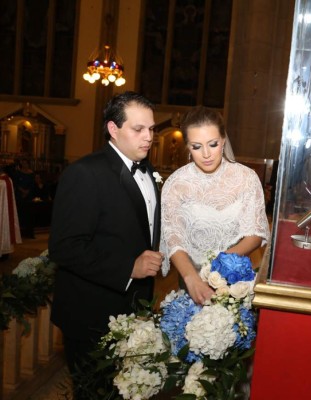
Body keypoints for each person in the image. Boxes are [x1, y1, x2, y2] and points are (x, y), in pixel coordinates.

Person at [48, 91, 163, 398]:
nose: (148, 137)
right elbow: (64, 246)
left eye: (151, 129)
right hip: (91, 315)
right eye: (138, 129)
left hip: (133, 309)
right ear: (113, 129)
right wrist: (130, 267)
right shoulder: (85, 173)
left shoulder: (149, 172)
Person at [160, 106, 270, 304]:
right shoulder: (176, 184)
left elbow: (255, 233)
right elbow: (173, 237)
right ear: (187, 146)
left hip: (238, 279)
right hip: (191, 279)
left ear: (223, 141)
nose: (206, 154)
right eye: (196, 146)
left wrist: (218, 267)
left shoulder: (246, 178)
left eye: (212, 144)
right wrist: (191, 278)